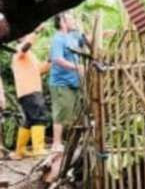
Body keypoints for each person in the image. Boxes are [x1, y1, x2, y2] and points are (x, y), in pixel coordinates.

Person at [48, 13, 88, 152]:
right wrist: (77, 67)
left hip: (73, 82)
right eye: (70, 18)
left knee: (73, 112)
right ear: (62, 22)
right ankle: (56, 143)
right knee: (61, 111)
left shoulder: (71, 37)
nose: (73, 20)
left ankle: (71, 141)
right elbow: (57, 59)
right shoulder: (58, 39)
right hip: (61, 82)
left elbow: (86, 41)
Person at [10, 32, 51, 159]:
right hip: (29, 90)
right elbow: (25, 47)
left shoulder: (30, 55)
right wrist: (36, 32)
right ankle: (38, 149)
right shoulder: (19, 50)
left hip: (30, 90)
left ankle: (20, 151)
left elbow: (40, 70)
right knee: (39, 117)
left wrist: (50, 59)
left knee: (29, 120)